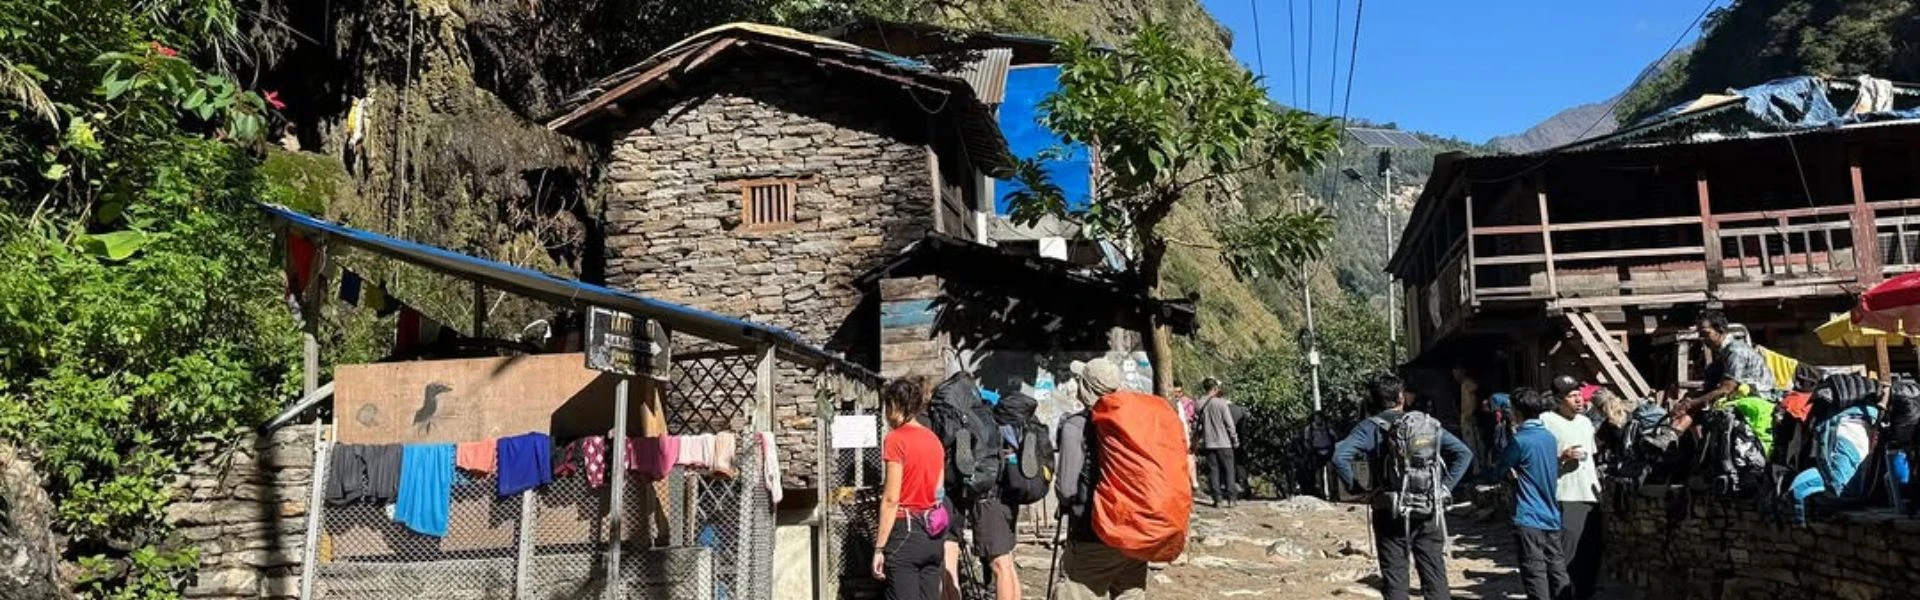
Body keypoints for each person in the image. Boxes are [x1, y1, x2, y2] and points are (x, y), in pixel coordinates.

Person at [1332, 374, 1473, 600]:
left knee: (1395, 577)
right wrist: (1444, 488)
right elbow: (1464, 453)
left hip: (1390, 510)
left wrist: (1357, 489)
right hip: (1428, 509)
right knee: (1434, 574)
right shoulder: (1424, 424)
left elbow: (1340, 455)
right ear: (1400, 398)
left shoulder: (1369, 427)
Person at [1054, 359, 1147, 600]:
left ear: (1085, 388)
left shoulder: (1076, 426)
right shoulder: (1135, 423)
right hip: (1134, 533)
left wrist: (1064, 503)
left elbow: (1066, 488)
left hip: (1093, 534)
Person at [1494, 389, 1574, 600]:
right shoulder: (1549, 438)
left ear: (1518, 412)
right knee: (1557, 569)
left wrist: (1510, 475)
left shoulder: (1521, 440)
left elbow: (1500, 468)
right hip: (1551, 514)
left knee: (1534, 572)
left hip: (1529, 515)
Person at [874, 376, 948, 600]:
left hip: (904, 530)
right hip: (933, 535)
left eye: (887, 407)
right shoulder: (934, 439)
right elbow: (939, 491)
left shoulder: (896, 439)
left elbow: (891, 498)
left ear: (896, 406)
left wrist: (879, 548)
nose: (886, 415)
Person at [1671, 311, 1777, 454]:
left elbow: (1727, 388)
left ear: (1720, 330)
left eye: (1706, 334)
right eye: (1700, 335)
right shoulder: (1723, 353)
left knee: (1696, 407)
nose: (1703, 339)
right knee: (1692, 404)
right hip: (1738, 395)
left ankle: (1684, 443)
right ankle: (1676, 438)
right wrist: (1690, 400)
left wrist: (1691, 403)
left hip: (1757, 396)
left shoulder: (1735, 351)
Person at [1543, 377, 1604, 600]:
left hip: (1591, 494)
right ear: (1559, 399)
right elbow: (1539, 458)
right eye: (1571, 395)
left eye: (1579, 394)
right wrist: (1561, 456)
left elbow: (1592, 456)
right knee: (1566, 556)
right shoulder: (1546, 421)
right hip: (1566, 495)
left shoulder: (1585, 422)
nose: (1578, 399)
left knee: (1591, 554)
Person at [1195, 378, 1240, 507]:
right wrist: (1234, 439)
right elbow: (1229, 424)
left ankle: (1217, 499)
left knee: (1213, 471)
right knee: (1229, 470)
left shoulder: (1199, 404)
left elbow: (1198, 424)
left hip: (1209, 443)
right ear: (1215, 389)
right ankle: (1231, 498)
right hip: (1224, 443)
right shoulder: (1221, 403)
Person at [1171, 382, 1200, 491]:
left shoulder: (1187, 403)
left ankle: (1194, 481)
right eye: (1175, 391)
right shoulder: (1174, 402)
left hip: (1185, 432)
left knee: (1189, 456)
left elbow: (1190, 418)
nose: (1177, 394)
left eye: (1179, 392)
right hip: (1176, 433)